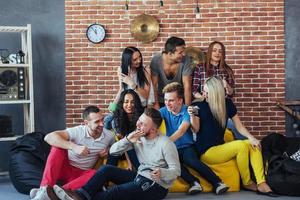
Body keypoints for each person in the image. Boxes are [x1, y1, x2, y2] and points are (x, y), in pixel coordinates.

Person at [52, 108, 181, 200]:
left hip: (157, 186)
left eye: (143, 124)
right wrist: (127, 140)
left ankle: (78, 198)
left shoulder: (166, 143)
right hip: (140, 175)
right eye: (139, 120)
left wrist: (162, 172)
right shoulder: (136, 137)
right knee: (106, 169)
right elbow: (113, 151)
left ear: (153, 129)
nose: (138, 124)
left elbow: (176, 171)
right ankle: (81, 194)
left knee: (115, 192)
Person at [189, 77, 277, 197]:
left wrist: (252, 138)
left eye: (207, 93)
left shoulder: (227, 104)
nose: (204, 94)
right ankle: (246, 182)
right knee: (241, 145)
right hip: (206, 152)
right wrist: (192, 115)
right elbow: (195, 129)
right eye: (204, 91)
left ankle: (261, 182)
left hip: (221, 147)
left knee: (252, 144)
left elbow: (239, 127)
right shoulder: (199, 105)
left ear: (217, 93)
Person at [30, 106, 115, 200]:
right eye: (97, 122)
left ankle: (53, 194)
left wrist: (108, 152)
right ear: (86, 123)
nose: (102, 124)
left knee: (97, 173)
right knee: (58, 147)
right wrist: (74, 147)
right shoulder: (78, 131)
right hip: (64, 168)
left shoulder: (109, 136)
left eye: (102, 120)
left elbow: (118, 147)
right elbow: (48, 137)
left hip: (81, 173)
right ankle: (44, 189)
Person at [159, 82, 229, 195]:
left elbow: (181, 131)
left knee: (190, 160)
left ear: (180, 100)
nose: (167, 103)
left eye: (171, 100)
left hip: (188, 146)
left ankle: (218, 182)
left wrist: (164, 143)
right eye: (166, 100)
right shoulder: (163, 111)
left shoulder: (187, 110)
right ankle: (194, 182)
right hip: (172, 148)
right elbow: (151, 118)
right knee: (172, 164)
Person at [105, 89, 144, 170]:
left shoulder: (141, 117)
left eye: (132, 102)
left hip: (136, 148)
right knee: (114, 148)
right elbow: (123, 142)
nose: (129, 105)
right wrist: (129, 163)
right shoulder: (116, 118)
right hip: (122, 147)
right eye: (126, 102)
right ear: (122, 103)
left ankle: (142, 174)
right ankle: (107, 176)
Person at [150, 36, 193, 109]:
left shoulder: (186, 60)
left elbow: (187, 85)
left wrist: (187, 108)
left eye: (184, 51)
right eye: (180, 52)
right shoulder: (156, 60)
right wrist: (156, 105)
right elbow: (154, 85)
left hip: (179, 100)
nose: (184, 54)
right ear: (170, 54)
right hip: (162, 99)